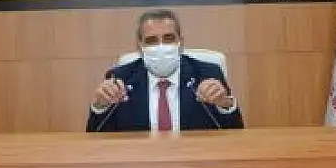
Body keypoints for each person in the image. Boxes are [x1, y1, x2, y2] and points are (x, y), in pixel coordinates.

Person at [87, 10, 244, 132]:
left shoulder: (208, 74)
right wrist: (100, 107)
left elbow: (236, 134)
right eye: (151, 40)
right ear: (140, 46)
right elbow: (96, 137)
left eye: (168, 38)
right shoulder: (120, 78)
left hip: (194, 159)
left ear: (180, 43)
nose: (161, 46)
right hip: (140, 160)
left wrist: (225, 105)